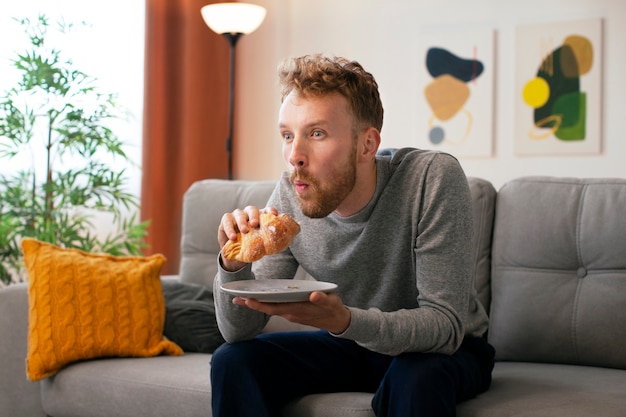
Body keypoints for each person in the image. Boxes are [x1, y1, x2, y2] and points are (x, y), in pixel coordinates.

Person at [211, 54, 495, 417]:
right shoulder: (290, 196)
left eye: (317, 133)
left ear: (367, 145)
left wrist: (344, 321)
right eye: (287, 135)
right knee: (234, 361)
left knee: (416, 378)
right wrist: (233, 264)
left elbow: (445, 325)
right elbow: (239, 330)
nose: (294, 156)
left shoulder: (431, 179)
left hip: (444, 350)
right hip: (354, 341)